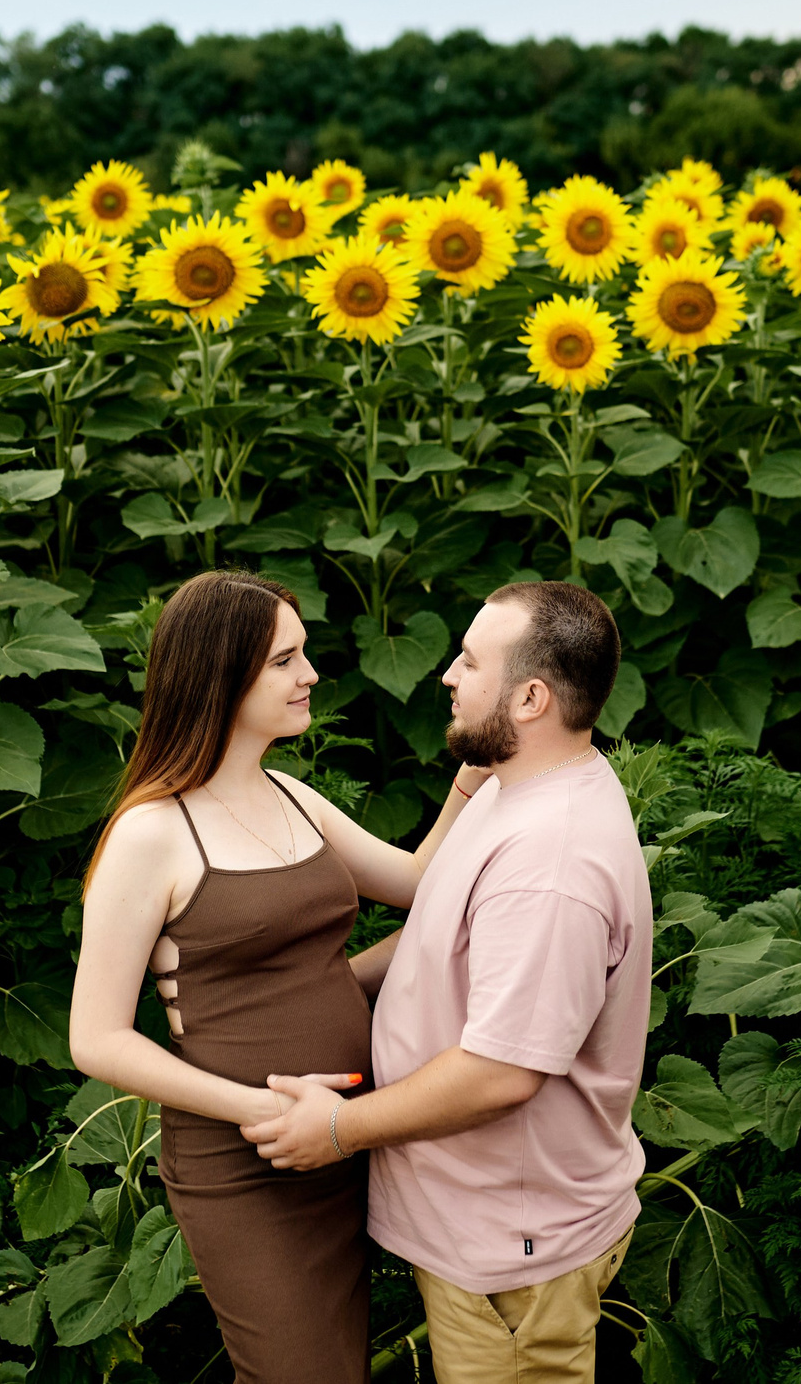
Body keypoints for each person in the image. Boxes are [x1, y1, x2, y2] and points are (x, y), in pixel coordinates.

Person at [68, 570, 489, 1383]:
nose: (311, 675)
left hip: (347, 1131)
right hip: (247, 1158)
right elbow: (96, 1038)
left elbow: (421, 887)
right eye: (285, 660)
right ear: (221, 677)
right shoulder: (150, 833)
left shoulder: (293, 796)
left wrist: (479, 769)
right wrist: (264, 1108)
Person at [244, 581, 648, 1384]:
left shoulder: (552, 864)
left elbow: (502, 1072)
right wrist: (317, 993)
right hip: (487, 1233)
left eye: (470, 660)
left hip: (514, 1260)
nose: (447, 675)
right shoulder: (515, 786)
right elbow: (442, 938)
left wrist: (338, 1130)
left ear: (531, 697)